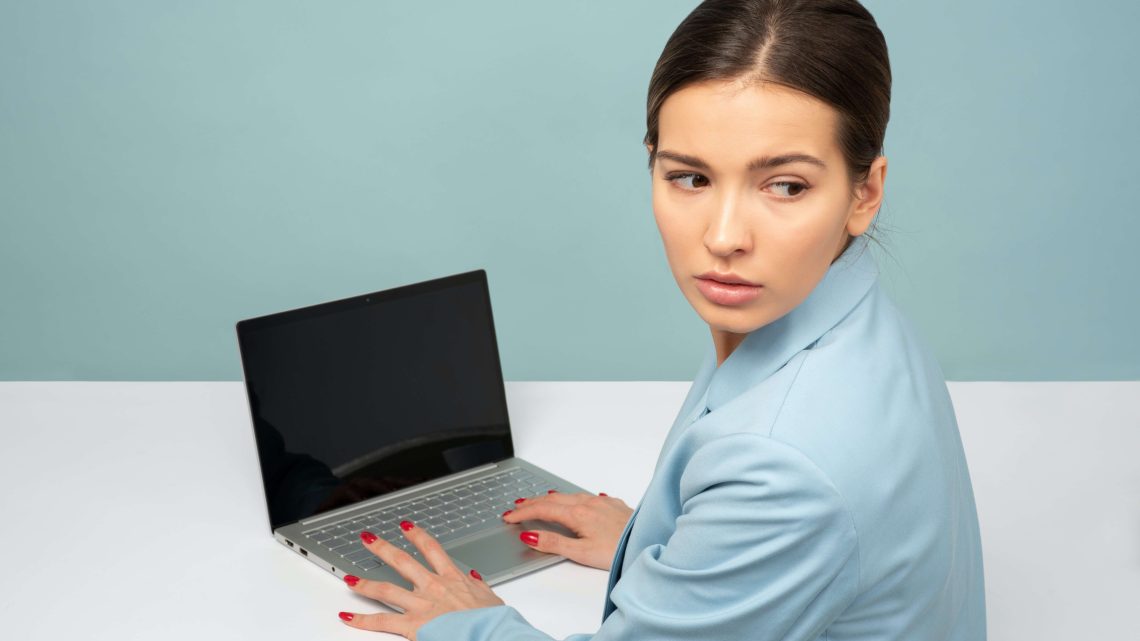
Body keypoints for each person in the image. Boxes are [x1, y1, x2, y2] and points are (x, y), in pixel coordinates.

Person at [335, 0, 986, 638]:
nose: (725, 236)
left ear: (864, 192)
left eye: (785, 185)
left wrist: (471, 623)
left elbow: (795, 479)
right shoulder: (845, 307)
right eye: (691, 177)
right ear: (652, 160)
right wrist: (666, 543)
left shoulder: (780, 468)